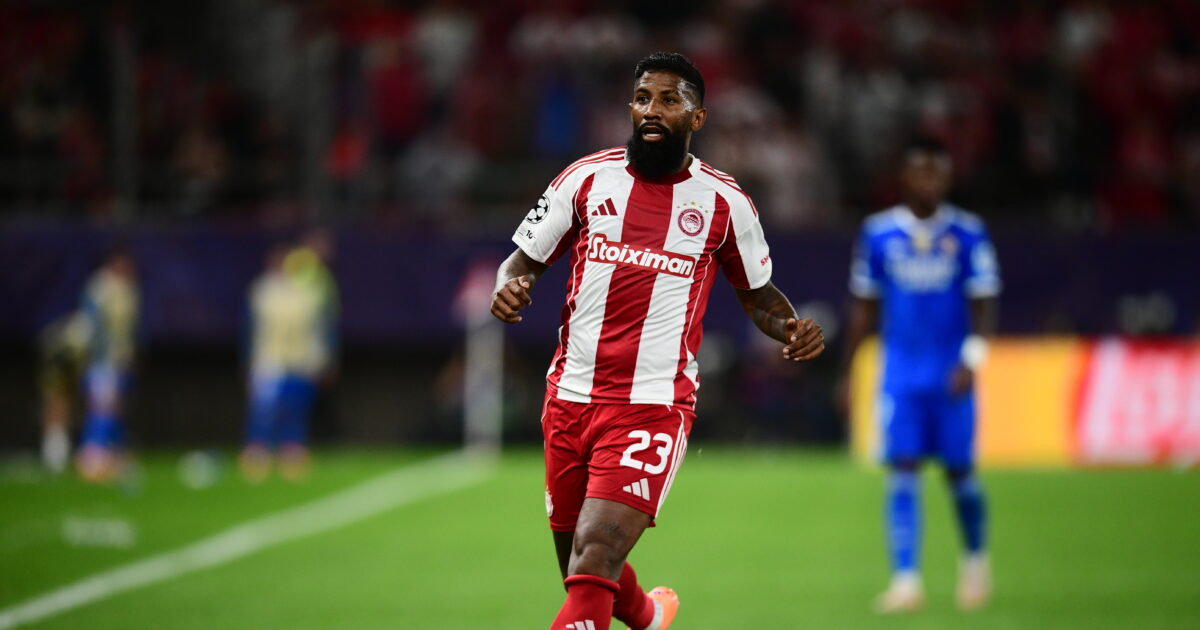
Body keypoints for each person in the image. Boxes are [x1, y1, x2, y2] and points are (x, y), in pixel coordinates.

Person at [491, 52, 825, 630]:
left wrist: (789, 326)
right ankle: (648, 616)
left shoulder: (724, 202)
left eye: (670, 100)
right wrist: (509, 288)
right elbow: (520, 261)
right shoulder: (584, 179)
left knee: (595, 554)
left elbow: (759, 297)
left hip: (652, 404)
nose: (652, 110)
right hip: (569, 397)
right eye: (643, 98)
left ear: (697, 118)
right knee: (580, 563)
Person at [842, 137, 1001, 613]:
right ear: (904, 177)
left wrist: (972, 359)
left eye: (937, 172)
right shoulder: (879, 234)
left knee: (960, 473)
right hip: (901, 374)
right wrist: (849, 372)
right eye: (921, 171)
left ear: (947, 179)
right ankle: (906, 581)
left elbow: (984, 303)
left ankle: (975, 562)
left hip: (952, 374)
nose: (929, 181)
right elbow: (864, 307)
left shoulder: (968, 233)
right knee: (903, 469)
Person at [240, 239, 339, 482]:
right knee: (264, 409)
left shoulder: (310, 290)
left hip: (302, 360)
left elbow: (323, 324)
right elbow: (250, 329)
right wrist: (247, 360)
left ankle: (292, 451)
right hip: (269, 359)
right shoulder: (262, 290)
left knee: (295, 408)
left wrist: (326, 356)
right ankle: (257, 452)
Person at [75, 248, 140, 482]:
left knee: (114, 407)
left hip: (117, 360)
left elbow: (130, 328)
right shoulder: (100, 288)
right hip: (102, 360)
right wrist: (100, 356)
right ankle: (92, 456)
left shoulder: (128, 288)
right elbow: (93, 327)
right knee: (101, 406)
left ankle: (110, 453)